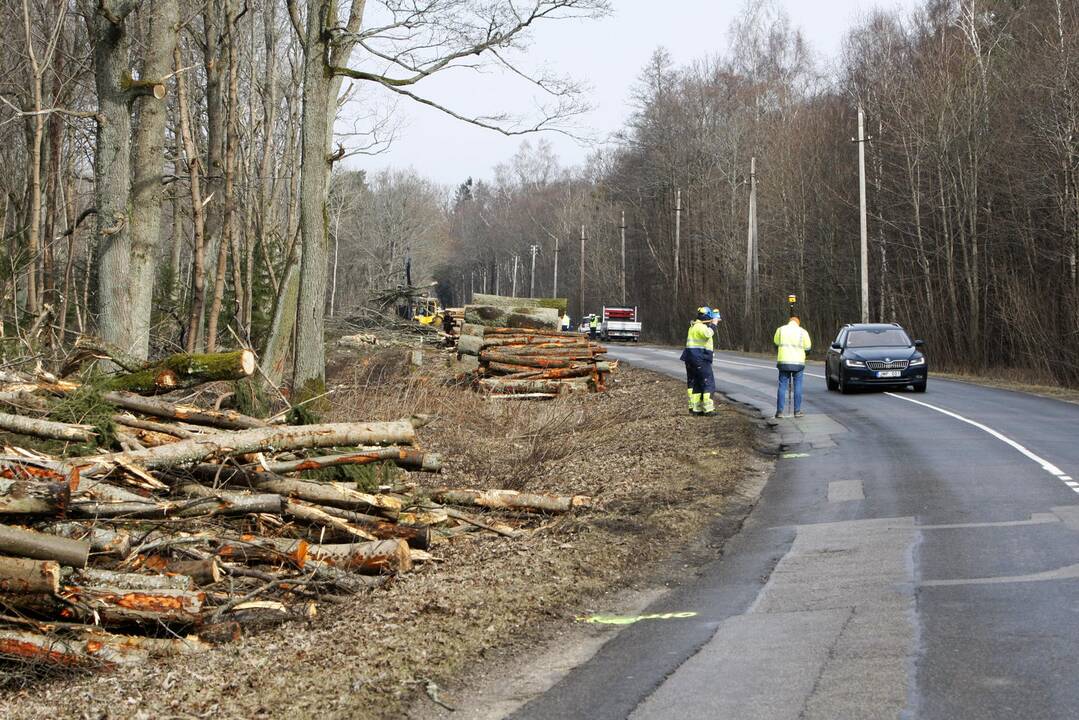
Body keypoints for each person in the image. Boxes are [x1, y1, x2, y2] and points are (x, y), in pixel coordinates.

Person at [680, 306, 721, 416]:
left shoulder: (693, 326)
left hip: (691, 358)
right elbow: (708, 334)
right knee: (708, 383)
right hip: (699, 359)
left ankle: (695, 408)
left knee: (696, 384)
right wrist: (714, 324)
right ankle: (708, 409)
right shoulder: (700, 327)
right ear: (707, 316)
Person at [773, 315, 812, 418]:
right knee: (798, 386)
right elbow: (808, 348)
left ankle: (780, 412)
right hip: (798, 363)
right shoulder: (803, 332)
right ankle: (797, 411)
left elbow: (776, 344)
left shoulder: (780, 330)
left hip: (784, 362)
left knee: (782, 386)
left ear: (789, 321)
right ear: (798, 322)